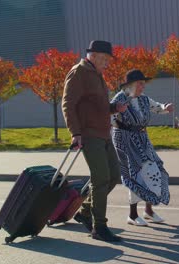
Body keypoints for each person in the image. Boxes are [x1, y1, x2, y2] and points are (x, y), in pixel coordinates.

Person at [62, 40, 128, 242]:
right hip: (89, 135)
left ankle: (84, 211)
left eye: (108, 59)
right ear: (94, 55)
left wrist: (114, 107)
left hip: (104, 133)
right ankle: (99, 227)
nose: (108, 62)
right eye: (105, 58)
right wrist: (75, 133)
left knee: (114, 176)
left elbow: (97, 105)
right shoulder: (79, 72)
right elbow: (68, 104)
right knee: (100, 179)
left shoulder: (97, 74)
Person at [110, 69, 174, 226]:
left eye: (143, 84)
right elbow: (110, 117)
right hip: (125, 140)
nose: (143, 87)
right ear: (130, 85)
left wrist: (165, 107)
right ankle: (132, 215)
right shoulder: (120, 98)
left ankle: (148, 211)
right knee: (135, 175)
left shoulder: (144, 99)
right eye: (140, 84)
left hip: (143, 139)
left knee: (154, 170)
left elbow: (156, 106)